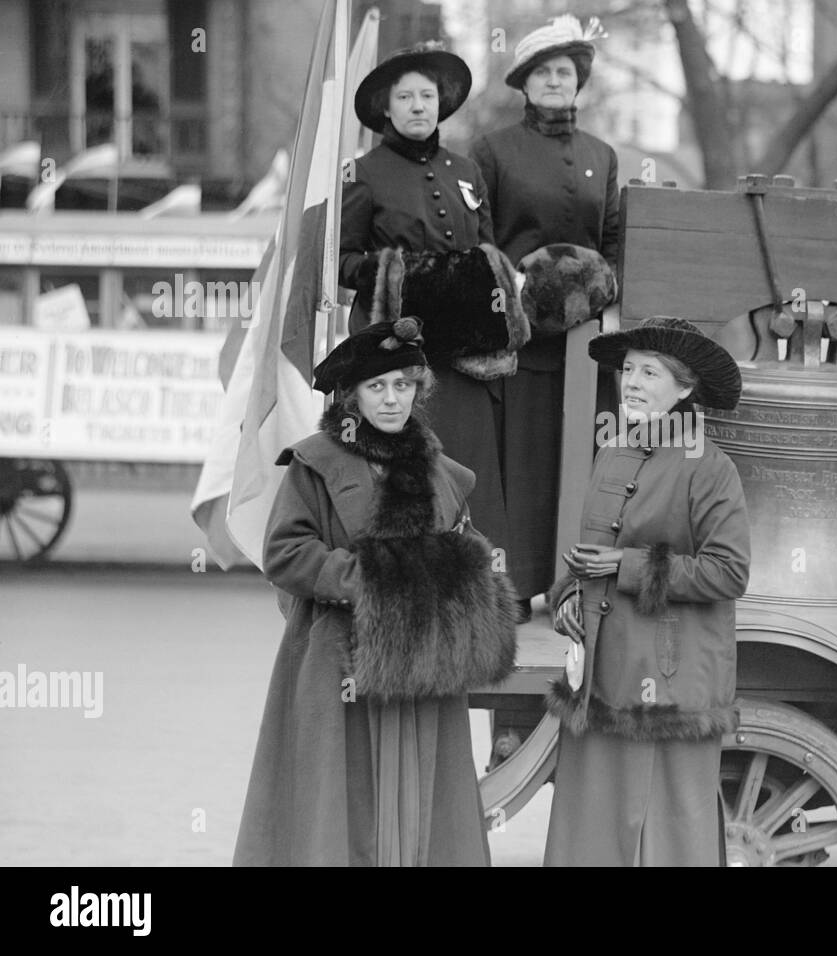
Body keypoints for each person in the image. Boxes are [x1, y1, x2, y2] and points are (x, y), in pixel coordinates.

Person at [233, 317, 518, 866]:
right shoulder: (315, 463)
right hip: (337, 658)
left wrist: (460, 572)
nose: (392, 399)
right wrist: (378, 582)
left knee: (422, 801)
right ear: (351, 396)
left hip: (427, 667)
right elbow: (286, 554)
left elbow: (471, 553)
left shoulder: (445, 474)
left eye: (404, 385)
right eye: (377, 387)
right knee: (341, 799)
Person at [543, 316, 750, 866]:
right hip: (602, 674)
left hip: (670, 679)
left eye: (649, 372)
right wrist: (568, 594)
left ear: (684, 389)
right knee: (591, 824)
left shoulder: (710, 468)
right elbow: (592, 551)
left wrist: (630, 567)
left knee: (669, 832)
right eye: (628, 369)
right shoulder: (611, 451)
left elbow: (729, 572)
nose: (631, 382)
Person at [339, 42, 513, 561]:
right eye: (406, 96)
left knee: (468, 463)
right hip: (393, 352)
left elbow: (488, 253)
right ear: (386, 109)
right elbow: (343, 262)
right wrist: (404, 278)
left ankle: (476, 582)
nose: (419, 106)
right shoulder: (362, 173)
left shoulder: (466, 169)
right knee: (402, 469)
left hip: (463, 356)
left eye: (428, 96)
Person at [470, 15, 620, 617]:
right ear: (524, 83)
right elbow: (481, 243)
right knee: (523, 463)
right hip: (520, 340)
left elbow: (614, 243)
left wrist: (605, 301)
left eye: (566, 71)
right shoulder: (492, 151)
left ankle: (579, 586)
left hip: (587, 346)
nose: (556, 81)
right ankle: (516, 585)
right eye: (544, 72)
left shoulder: (603, 156)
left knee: (585, 460)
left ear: (578, 82)